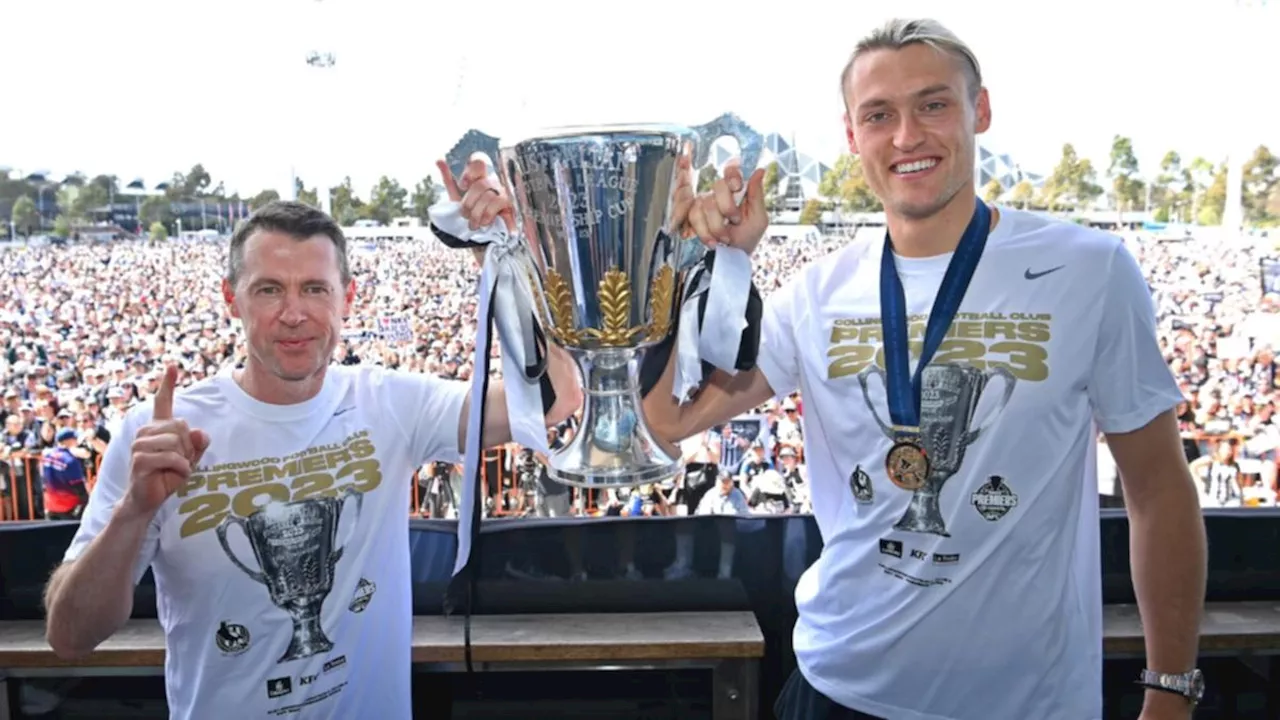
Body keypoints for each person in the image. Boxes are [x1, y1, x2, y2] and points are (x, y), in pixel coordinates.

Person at [470, 17, 1206, 720]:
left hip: (1030, 703)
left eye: (934, 105)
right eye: (880, 115)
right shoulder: (816, 296)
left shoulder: (1088, 270)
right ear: (852, 136)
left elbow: (1158, 489)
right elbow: (663, 421)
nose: (908, 135)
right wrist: (705, 262)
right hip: (838, 688)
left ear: (980, 111)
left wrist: (1169, 690)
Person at [41, 199, 580, 719]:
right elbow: (69, 636)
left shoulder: (388, 403)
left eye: (315, 289)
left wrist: (502, 256)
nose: (294, 314)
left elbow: (556, 397)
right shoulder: (156, 433)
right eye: (269, 289)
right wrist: (133, 513)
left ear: (348, 296)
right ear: (233, 299)